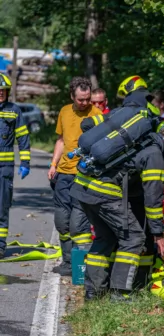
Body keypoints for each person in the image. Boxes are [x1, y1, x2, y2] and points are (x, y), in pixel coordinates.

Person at [70, 75, 164, 302]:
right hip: (104, 193)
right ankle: (119, 294)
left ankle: (93, 292)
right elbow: (153, 199)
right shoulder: (154, 152)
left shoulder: (120, 117)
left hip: (82, 185)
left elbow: (87, 126)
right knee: (133, 237)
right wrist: (157, 233)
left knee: (104, 237)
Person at [47, 77, 102, 276]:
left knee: (78, 223)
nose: (85, 103)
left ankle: (83, 268)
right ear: (72, 96)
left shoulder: (97, 115)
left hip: (84, 176)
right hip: (63, 174)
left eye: (87, 99)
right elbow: (61, 140)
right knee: (62, 220)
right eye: (80, 99)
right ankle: (68, 263)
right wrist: (53, 164)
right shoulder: (64, 111)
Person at [0, 73, 30, 259]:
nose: (0, 93)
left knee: (1, 207)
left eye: (3, 90)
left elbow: (23, 137)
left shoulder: (14, 110)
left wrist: (25, 162)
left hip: (4, 168)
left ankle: (0, 246)